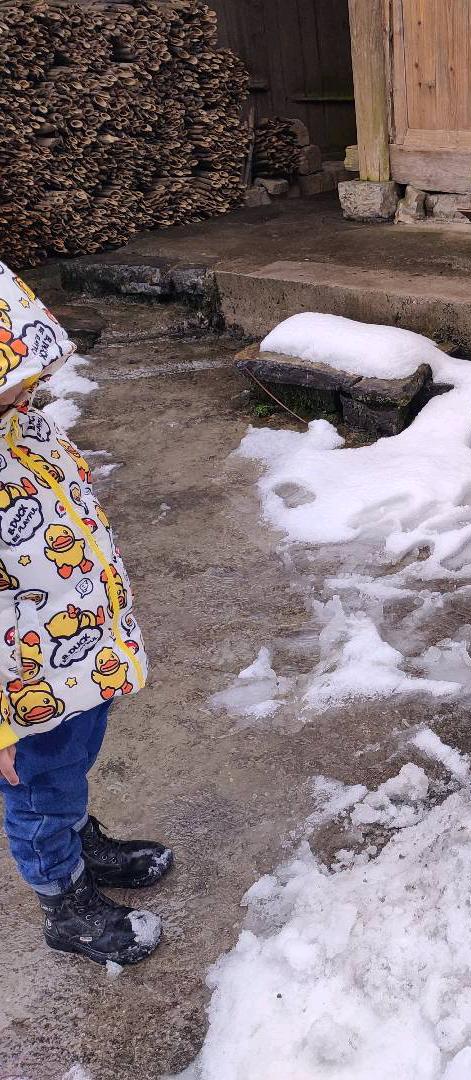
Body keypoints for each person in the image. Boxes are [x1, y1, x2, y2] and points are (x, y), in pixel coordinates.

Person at [0, 260, 171, 964]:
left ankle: (73, 836)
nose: (29, 382)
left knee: (71, 762)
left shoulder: (23, 428)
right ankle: (61, 898)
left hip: (72, 654)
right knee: (38, 787)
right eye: (14, 375)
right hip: (19, 690)